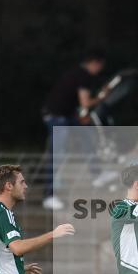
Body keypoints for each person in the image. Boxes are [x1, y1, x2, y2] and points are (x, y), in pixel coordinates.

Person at [41, 50, 107, 210]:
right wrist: (101, 97)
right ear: (95, 63)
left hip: (65, 115)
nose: (99, 71)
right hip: (57, 117)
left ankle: (97, 173)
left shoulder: (75, 73)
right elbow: (85, 103)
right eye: (100, 67)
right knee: (57, 153)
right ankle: (49, 195)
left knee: (85, 135)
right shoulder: (84, 75)